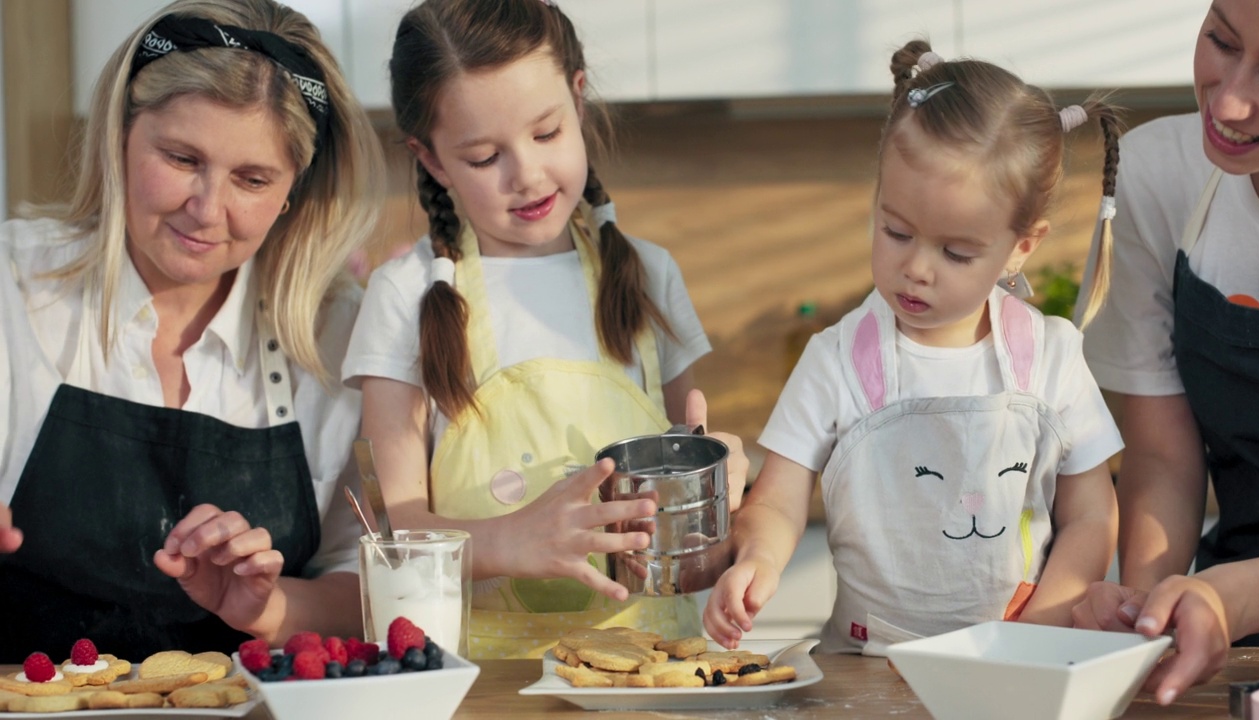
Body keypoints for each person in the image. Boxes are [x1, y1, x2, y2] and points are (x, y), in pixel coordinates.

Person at [341, 0, 746, 660]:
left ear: (578, 99)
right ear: (433, 160)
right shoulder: (406, 295)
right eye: (481, 157)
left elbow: (688, 478)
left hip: (646, 671)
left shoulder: (649, 274)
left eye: (547, 133)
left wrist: (723, 477)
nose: (525, 174)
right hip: (480, 679)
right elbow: (397, 531)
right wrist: (511, 542)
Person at [702, 40, 1125, 655]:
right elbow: (778, 499)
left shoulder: (1051, 357)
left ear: (1021, 247)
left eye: (955, 252)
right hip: (866, 669)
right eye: (895, 231)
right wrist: (758, 562)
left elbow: (1092, 515)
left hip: (1017, 663)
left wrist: (1043, 623)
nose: (916, 269)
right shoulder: (837, 360)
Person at [0, 0, 386, 662]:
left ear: (294, 189)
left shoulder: (338, 338)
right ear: (120, 133)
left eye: (252, 179)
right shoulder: (13, 285)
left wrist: (267, 605)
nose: (207, 210)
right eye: (181, 158)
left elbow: (370, 588)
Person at [1070, 0, 1259, 705]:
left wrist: (1234, 599)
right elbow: (1163, 454)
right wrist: (1146, 608)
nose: (1230, 100)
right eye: (1221, 41)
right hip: (1237, 636)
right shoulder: (1161, 177)